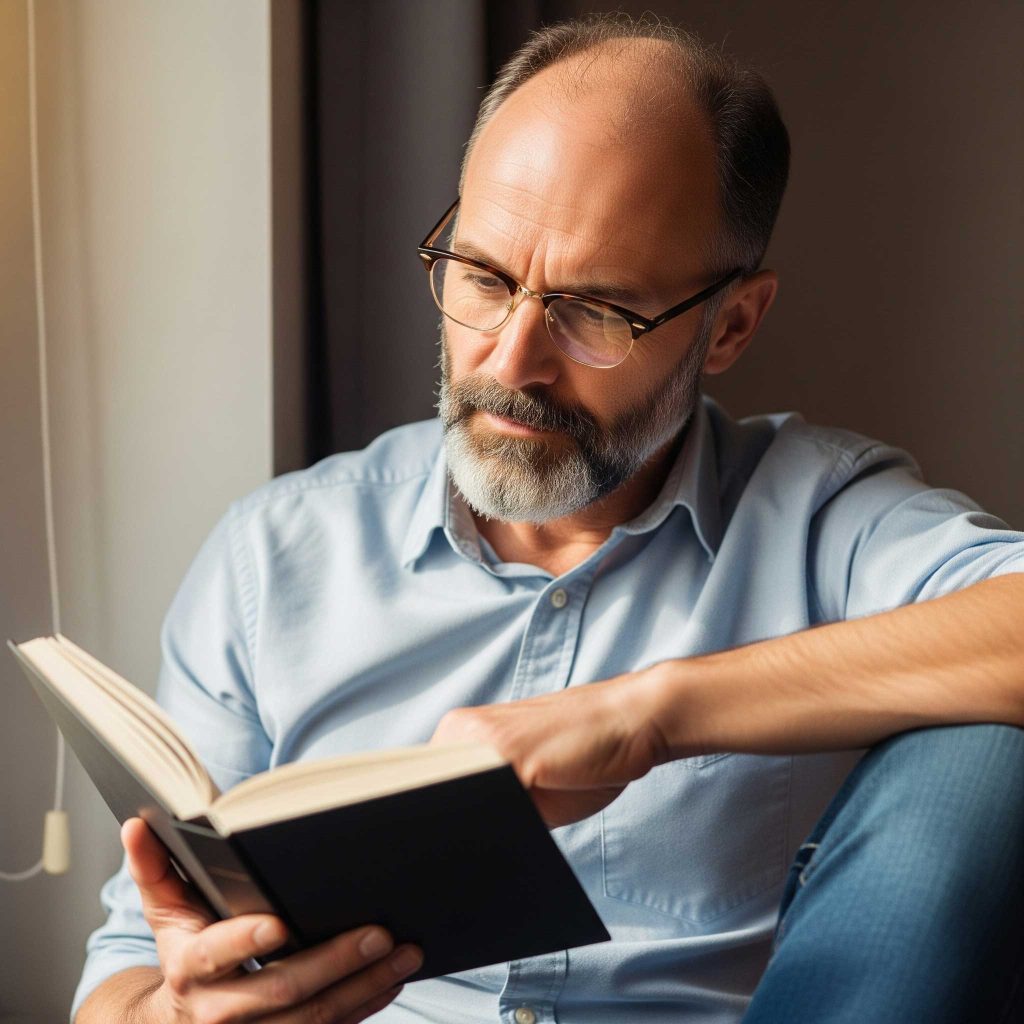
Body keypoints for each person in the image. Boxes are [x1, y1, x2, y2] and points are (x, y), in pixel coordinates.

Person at [73, 14, 1024, 1024]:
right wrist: (178, 1013)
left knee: (988, 748)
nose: (510, 359)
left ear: (730, 325)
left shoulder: (820, 521)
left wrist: (639, 717)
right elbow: (125, 968)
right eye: (482, 278)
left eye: (596, 308)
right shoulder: (275, 557)